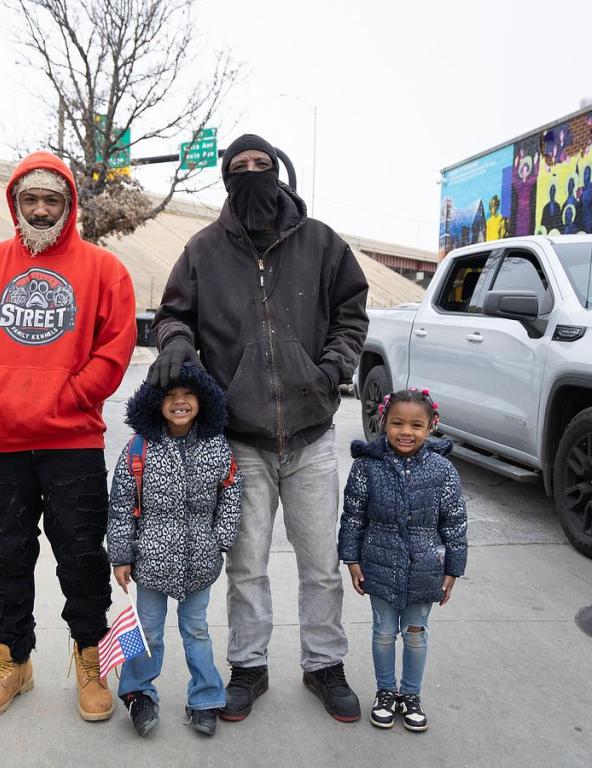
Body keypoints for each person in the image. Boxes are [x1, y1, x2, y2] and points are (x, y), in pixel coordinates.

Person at [150, 134, 369, 724]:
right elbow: (174, 314)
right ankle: (248, 666)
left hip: (311, 433)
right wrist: (176, 342)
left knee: (321, 563)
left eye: (261, 165)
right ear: (226, 180)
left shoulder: (321, 243)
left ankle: (324, 663)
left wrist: (331, 371)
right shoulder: (203, 249)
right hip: (241, 440)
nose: (251, 172)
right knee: (246, 566)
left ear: (279, 172)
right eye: (239, 167)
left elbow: (352, 310)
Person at [0, 151, 137, 722]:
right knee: (7, 556)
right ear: (14, 202)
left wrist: (74, 395)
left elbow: (115, 347)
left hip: (73, 441)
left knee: (82, 558)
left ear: (69, 205)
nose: (39, 208)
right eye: (29, 198)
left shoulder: (105, 270)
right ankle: (13, 663)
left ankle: (92, 663)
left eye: (50, 199)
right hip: (2, 442)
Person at [107, 363, 243, 738]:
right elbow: (121, 504)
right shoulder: (138, 448)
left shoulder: (216, 446)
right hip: (150, 561)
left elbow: (231, 491)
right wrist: (121, 555)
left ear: (202, 401)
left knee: (197, 630)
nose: (180, 402)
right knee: (145, 630)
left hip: (200, 559)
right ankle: (138, 693)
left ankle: (205, 697)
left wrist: (221, 539)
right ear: (155, 403)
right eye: (170, 396)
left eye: (188, 395)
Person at [338, 388, 468, 732]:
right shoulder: (367, 466)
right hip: (378, 564)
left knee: (415, 633)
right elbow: (353, 516)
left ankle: (410, 695)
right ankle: (385, 692)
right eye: (397, 423)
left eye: (415, 425)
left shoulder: (443, 470)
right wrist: (351, 558)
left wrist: (454, 567)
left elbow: (454, 521)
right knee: (382, 632)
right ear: (384, 423)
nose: (405, 432)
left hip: (425, 567)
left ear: (431, 426)